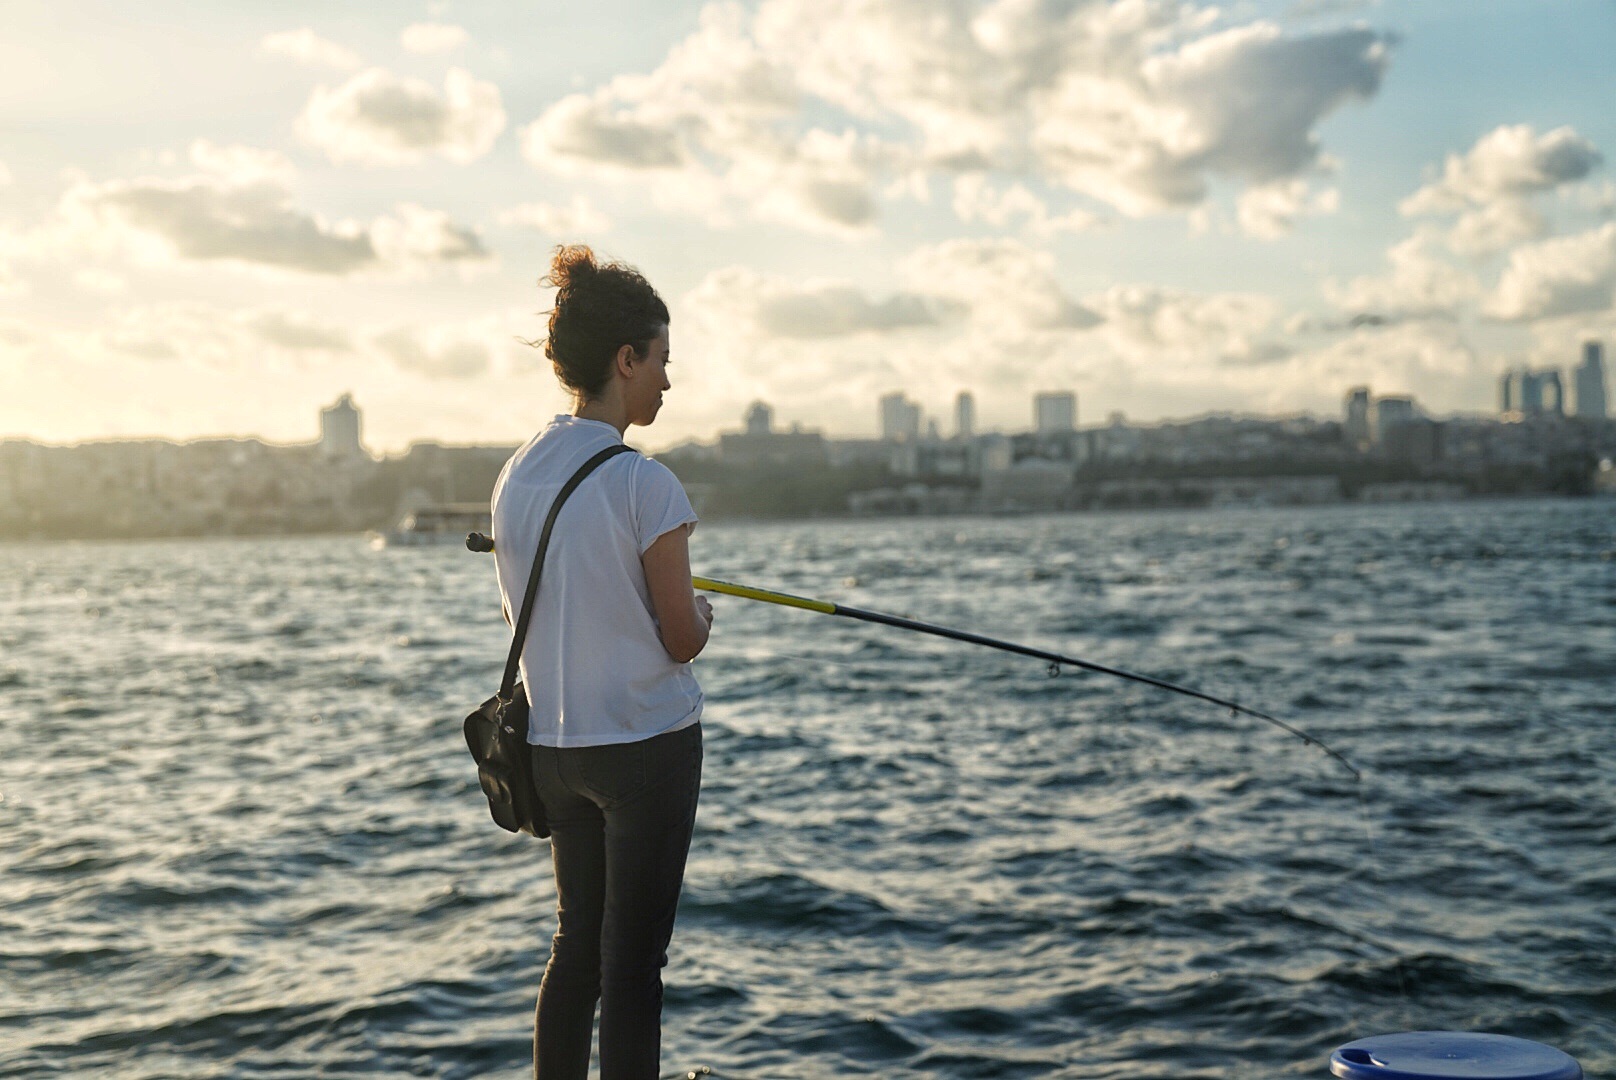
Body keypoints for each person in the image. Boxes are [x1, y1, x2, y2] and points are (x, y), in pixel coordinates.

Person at [490, 245, 713, 1079]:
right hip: (645, 751)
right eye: (660, 361)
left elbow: (525, 610)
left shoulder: (516, 474)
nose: (665, 381)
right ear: (626, 359)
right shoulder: (646, 485)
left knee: (573, 946)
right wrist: (703, 611)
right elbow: (679, 636)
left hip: (554, 751)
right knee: (631, 966)